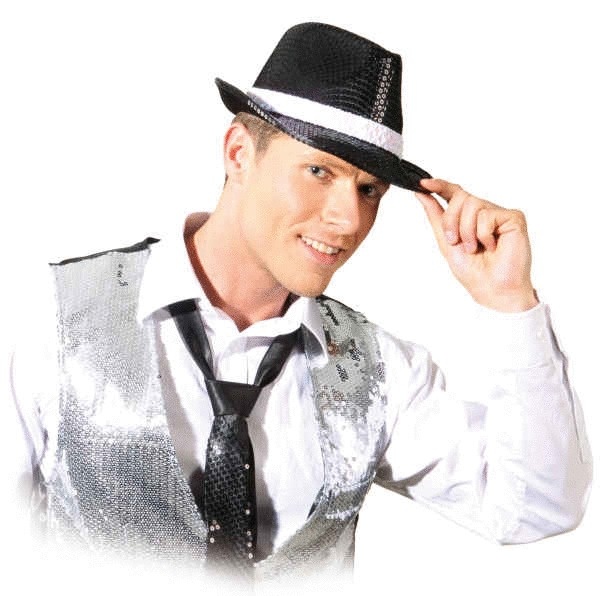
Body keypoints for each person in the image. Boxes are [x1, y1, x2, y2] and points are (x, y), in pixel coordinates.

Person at [8, 21, 592, 588]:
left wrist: (509, 304)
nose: (348, 219)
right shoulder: (53, 316)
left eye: (369, 190)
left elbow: (536, 508)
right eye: (319, 171)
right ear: (239, 152)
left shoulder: (380, 371)